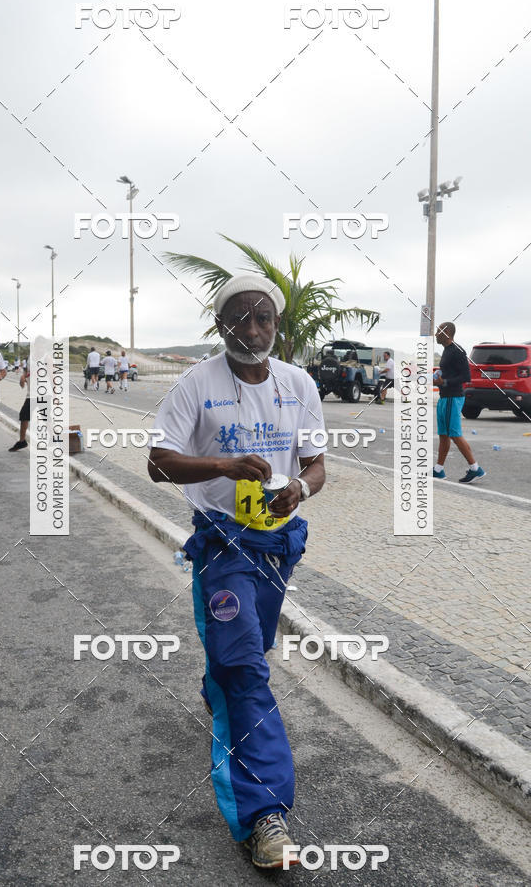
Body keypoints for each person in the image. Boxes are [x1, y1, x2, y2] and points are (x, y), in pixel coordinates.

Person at [148, 274, 326, 868]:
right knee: (244, 666)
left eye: (264, 319)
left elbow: (316, 463)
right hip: (222, 545)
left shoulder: (299, 383)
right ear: (220, 323)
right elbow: (157, 462)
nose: (253, 330)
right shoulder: (195, 383)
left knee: (247, 653)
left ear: (277, 325)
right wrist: (223, 463)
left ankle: (214, 686)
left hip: (278, 547)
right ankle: (263, 816)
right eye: (239, 318)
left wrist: (298, 487)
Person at [433, 321, 485, 483]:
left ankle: (475, 469)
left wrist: (445, 382)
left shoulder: (457, 351)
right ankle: (438, 470)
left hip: (453, 397)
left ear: (447, 332)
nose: (436, 334)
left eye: (438, 331)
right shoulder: (447, 351)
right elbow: (448, 372)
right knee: (443, 435)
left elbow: (466, 377)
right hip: (444, 398)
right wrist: (438, 376)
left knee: (454, 434)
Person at [9, 365, 30, 452]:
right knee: (23, 416)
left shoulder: (46, 358)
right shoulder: (29, 361)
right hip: (31, 396)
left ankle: (54, 441)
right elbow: (22, 385)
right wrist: (23, 377)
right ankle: (22, 441)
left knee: (47, 419)